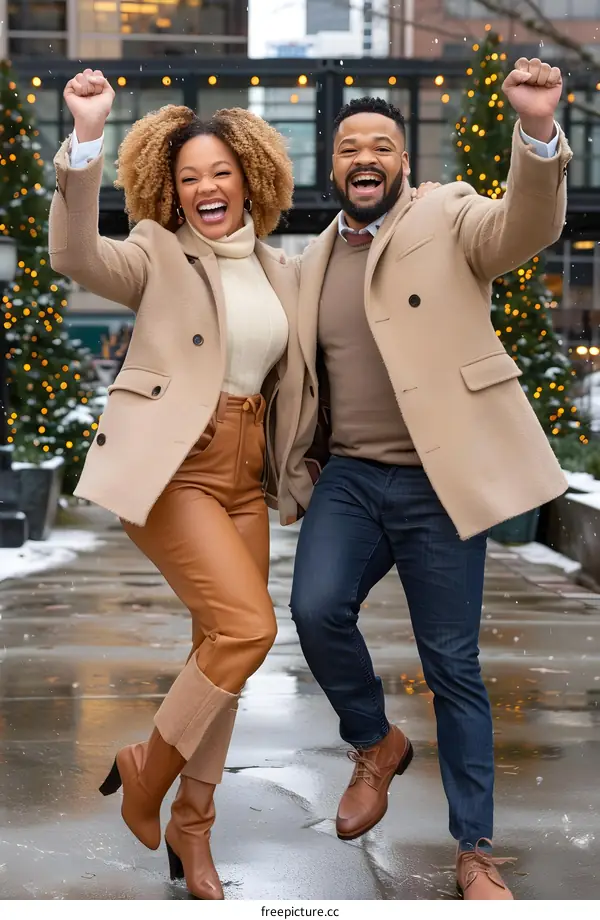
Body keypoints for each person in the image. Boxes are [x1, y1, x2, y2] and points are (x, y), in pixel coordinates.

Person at [276, 58, 571, 900]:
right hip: (351, 478)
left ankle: (474, 850)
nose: (364, 158)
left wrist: (537, 130)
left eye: (381, 145)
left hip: (440, 483)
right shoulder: (311, 259)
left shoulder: (450, 214)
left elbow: (525, 226)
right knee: (314, 608)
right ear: (333, 169)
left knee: (452, 667)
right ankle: (375, 743)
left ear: (404, 162)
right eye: (348, 148)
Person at [49, 69, 303, 900]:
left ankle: (193, 828)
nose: (205, 188)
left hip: (245, 477)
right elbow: (75, 254)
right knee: (249, 629)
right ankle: (148, 769)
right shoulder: (156, 253)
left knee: (218, 656)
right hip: (175, 469)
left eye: (220, 172)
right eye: (189, 177)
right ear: (171, 188)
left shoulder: (281, 269)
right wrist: (87, 138)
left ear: (250, 179)